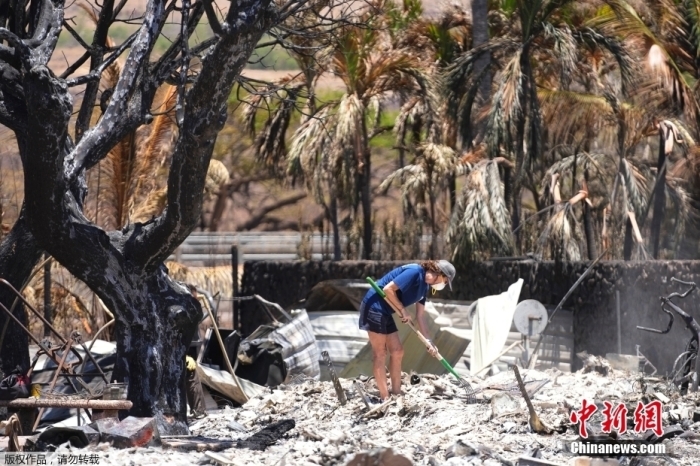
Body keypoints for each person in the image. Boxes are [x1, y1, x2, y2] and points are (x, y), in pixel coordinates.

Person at [359, 260, 456, 400]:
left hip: (386, 311)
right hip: (374, 306)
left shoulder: (425, 288)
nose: (444, 285)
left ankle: (397, 393)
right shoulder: (415, 271)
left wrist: (429, 341)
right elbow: (387, 289)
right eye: (445, 281)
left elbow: (420, 316)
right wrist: (403, 310)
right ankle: (385, 397)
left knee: (398, 351)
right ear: (438, 273)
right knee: (380, 354)